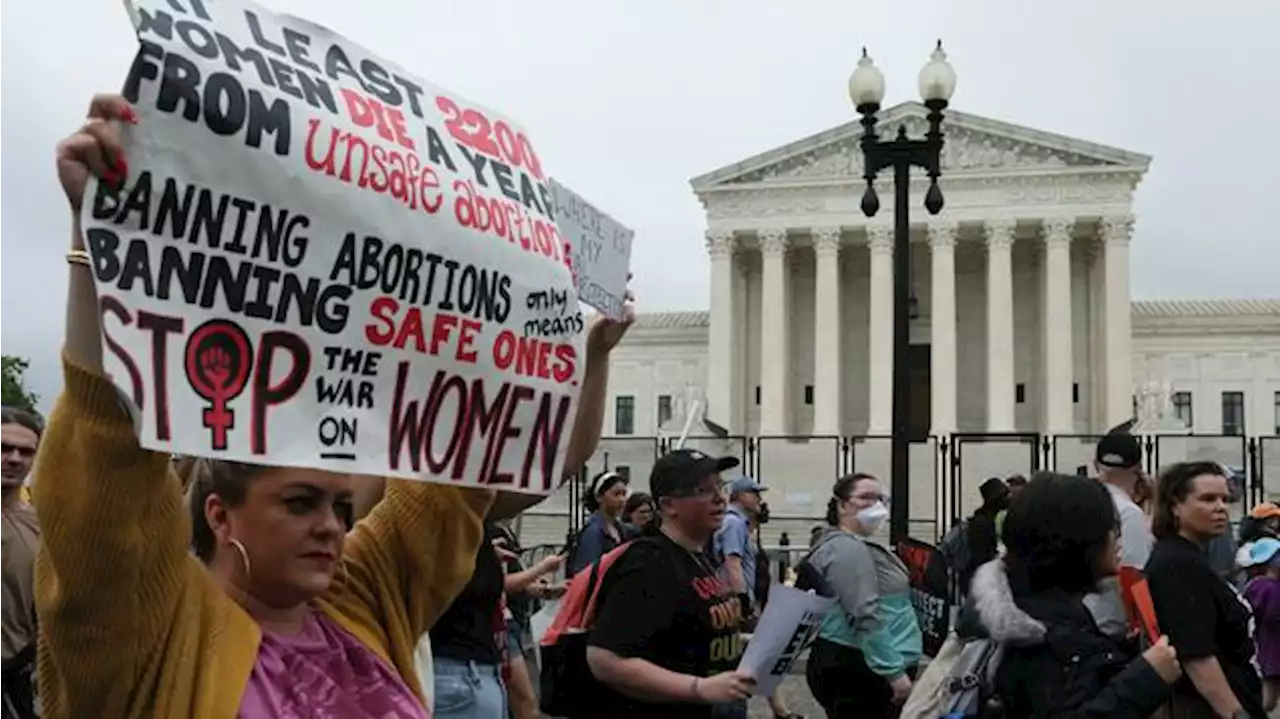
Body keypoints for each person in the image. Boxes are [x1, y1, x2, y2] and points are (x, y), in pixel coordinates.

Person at [36, 93, 621, 718]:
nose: (333, 526)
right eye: (300, 501)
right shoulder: (152, 635)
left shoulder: (360, 603)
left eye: (341, 507)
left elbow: (463, 458)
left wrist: (532, 307)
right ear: (220, 514)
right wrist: (99, 230)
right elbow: (105, 461)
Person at [955, 472, 1180, 717]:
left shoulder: (1035, 610)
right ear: (1077, 541)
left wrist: (1122, 652)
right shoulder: (1036, 637)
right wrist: (1145, 678)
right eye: (1111, 528)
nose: (1117, 538)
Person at [584, 449, 754, 718]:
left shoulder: (700, 556)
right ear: (668, 505)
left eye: (721, 486)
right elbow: (604, 659)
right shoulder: (649, 562)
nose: (719, 498)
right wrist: (699, 688)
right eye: (702, 490)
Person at [1146, 461, 1266, 718]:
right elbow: (1196, 656)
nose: (1221, 508)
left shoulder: (1191, 558)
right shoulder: (1177, 564)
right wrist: (1235, 714)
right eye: (1208, 499)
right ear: (1175, 506)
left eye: (1225, 499)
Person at [805, 473, 921, 719]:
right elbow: (863, 613)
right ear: (842, 505)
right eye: (866, 497)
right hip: (860, 669)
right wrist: (894, 674)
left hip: (864, 664)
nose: (876, 505)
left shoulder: (852, 545)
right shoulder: (847, 548)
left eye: (880, 498)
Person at [1083, 431, 1154, 642]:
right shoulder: (1129, 513)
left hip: (1077, 617)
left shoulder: (1077, 502)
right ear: (1137, 469)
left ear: (1096, 465)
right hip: (1110, 624)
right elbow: (1133, 576)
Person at [0, 407, 41, 718]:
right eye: (4, 448)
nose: (15, 458)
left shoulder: (43, 528)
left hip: (14, 682)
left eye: (26, 451)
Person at [1242, 538, 1280, 712]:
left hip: (1264, 646)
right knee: (1268, 699)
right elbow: (1274, 618)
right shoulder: (1271, 589)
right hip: (1273, 648)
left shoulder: (1254, 585)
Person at [567, 470, 629, 577]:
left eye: (624, 494)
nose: (622, 499)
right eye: (616, 494)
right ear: (599, 497)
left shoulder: (619, 528)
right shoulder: (593, 531)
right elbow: (586, 572)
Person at [959, 478, 1010, 593]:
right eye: (1005, 496)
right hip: (977, 581)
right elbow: (981, 557)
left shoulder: (983, 519)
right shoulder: (984, 524)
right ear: (995, 500)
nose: (1009, 498)